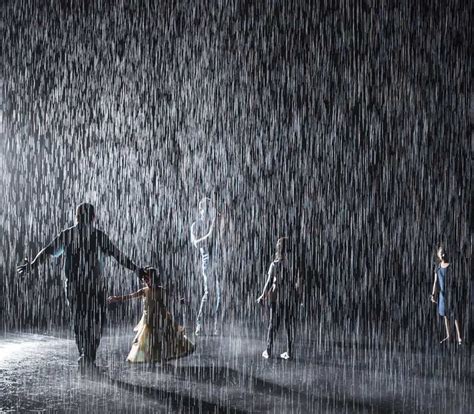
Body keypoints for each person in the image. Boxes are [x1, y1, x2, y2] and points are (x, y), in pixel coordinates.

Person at [17, 203, 145, 372]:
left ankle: (85, 356)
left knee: (79, 320)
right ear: (94, 217)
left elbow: (47, 252)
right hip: (95, 286)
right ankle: (88, 357)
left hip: (74, 286)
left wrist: (31, 266)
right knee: (97, 321)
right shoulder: (98, 236)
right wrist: (137, 270)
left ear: (76, 217)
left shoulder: (69, 234)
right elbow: (118, 256)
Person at [108, 266, 195, 363]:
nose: (146, 282)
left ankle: (164, 354)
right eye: (145, 280)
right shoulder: (144, 291)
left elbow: (172, 296)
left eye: (148, 280)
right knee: (149, 340)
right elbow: (130, 296)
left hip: (161, 318)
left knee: (166, 337)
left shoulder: (161, 290)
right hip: (149, 319)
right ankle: (152, 356)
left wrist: (179, 300)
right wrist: (117, 298)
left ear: (154, 279)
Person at [257, 237, 301, 360]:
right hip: (289, 299)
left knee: (273, 325)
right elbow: (296, 283)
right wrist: (298, 297)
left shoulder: (275, 265)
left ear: (278, 249)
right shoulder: (292, 265)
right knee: (289, 326)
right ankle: (289, 352)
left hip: (277, 299)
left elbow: (269, 282)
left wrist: (262, 296)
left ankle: (269, 350)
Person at [190, 197, 221, 336]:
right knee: (209, 293)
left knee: (221, 295)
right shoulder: (195, 226)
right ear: (200, 210)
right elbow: (197, 243)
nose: (209, 212)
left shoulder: (216, 224)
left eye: (211, 208)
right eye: (206, 209)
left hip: (220, 260)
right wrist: (213, 229)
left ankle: (217, 327)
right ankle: (199, 325)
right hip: (207, 261)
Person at [430, 246, 463, 345]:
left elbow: (457, 280)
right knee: (445, 315)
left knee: (455, 315)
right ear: (438, 255)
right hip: (443, 295)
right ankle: (449, 336)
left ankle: (459, 337)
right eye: (441, 253)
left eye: (444, 253)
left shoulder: (451, 266)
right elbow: (435, 282)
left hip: (452, 293)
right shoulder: (438, 267)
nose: (443, 255)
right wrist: (433, 294)